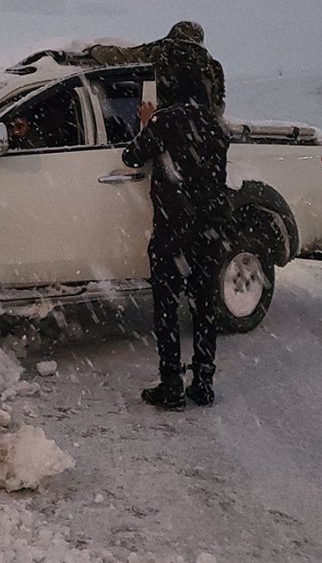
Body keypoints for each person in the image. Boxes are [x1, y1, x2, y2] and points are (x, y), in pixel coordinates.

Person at [121, 58, 231, 411]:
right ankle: (204, 383)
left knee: (167, 308)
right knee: (204, 307)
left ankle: (171, 385)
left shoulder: (165, 121)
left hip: (174, 230)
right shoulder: (215, 126)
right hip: (210, 230)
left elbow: (131, 156)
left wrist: (146, 123)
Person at [85, 21, 225, 117]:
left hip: (166, 127)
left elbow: (122, 57)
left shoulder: (163, 51)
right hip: (201, 132)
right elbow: (218, 107)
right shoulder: (212, 67)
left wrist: (94, 50)